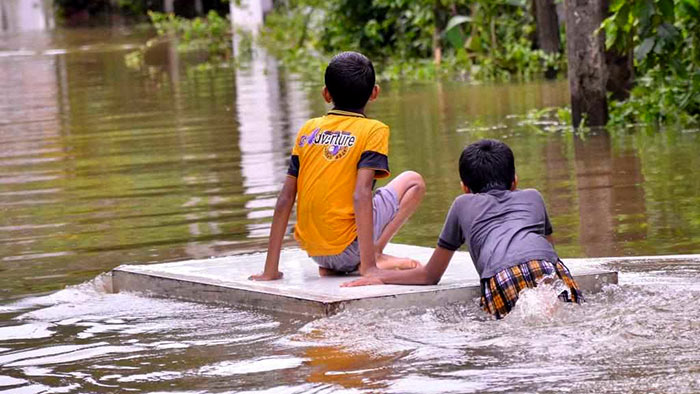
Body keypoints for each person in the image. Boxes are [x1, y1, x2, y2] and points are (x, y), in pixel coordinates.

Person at [343, 139, 583, 319]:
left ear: (464, 187)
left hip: (502, 276)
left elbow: (430, 276)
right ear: (515, 181)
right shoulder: (534, 197)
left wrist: (379, 276)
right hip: (549, 268)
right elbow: (551, 251)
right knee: (558, 318)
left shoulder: (462, 205)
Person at [250, 51, 425, 281]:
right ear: (374, 93)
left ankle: (343, 263)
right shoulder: (373, 130)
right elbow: (361, 194)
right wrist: (370, 269)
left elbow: (285, 198)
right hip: (349, 249)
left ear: (326, 94)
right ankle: (371, 257)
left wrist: (270, 271)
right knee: (414, 182)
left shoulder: (308, 129)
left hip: (315, 253)